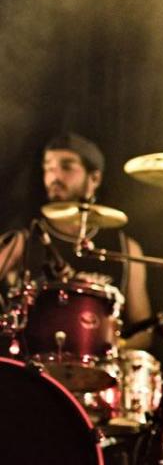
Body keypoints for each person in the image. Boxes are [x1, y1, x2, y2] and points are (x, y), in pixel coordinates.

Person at [0, 132, 153, 352]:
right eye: (48, 168)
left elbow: (144, 332)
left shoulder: (126, 249)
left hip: (99, 367)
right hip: (32, 366)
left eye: (66, 167)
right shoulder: (24, 240)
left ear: (94, 179)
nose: (54, 176)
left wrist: (115, 349)